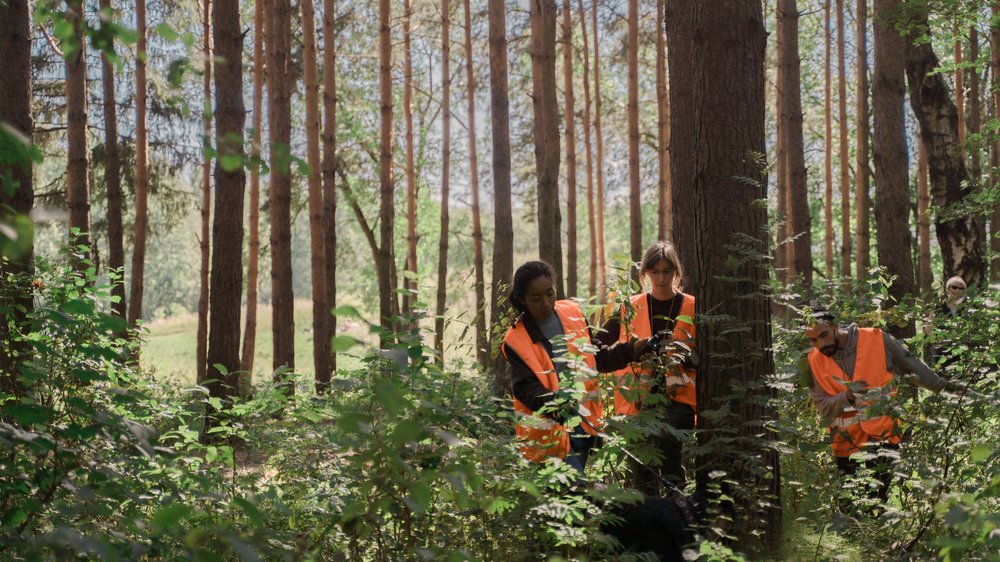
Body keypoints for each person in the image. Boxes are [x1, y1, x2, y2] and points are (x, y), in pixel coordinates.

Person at [502, 261, 652, 473]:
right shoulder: (516, 339)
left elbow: (597, 358)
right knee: (573, 493)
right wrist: (556, 405)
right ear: (522, 300)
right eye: (536, 298)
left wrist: (632, 350)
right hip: (548, 434)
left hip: (583, 425)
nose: (545, 302)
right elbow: (524, 388)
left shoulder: (571, 312)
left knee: (573, 501)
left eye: (549, 293)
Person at [802, 308, 955, 507]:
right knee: (849, 508)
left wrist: (950, 391)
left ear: (834, 326)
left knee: (877, 505)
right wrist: (847, 396)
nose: (821, 344)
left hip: (883, 435)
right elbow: (823, 407)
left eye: (823, 335)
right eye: (812, 340)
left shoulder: (877, 340)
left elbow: (915, 368)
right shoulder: (812, 361)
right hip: (845, 444)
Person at [596, 241, 696, 492]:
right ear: (645, 274)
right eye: (655, 272)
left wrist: (682, 356)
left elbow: (707, 356)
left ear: (677, 273)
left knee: (670, 452)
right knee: (642, 473)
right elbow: (597, 343)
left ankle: (677, 514)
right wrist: (629, 351)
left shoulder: (693, 306)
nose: (661, 278)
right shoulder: (630, 306)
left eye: (667, 271)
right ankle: (646, 522)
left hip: (680, 397)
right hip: (637, 399)